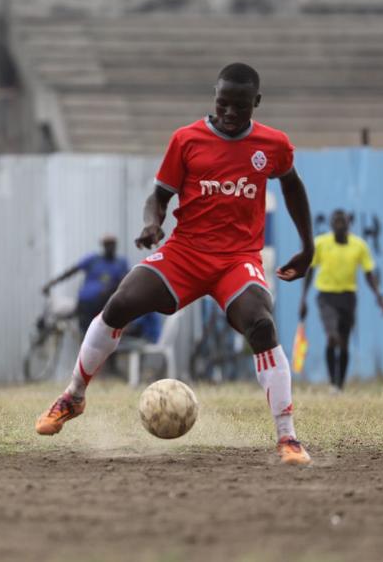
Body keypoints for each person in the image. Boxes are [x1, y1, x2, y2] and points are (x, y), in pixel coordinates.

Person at [35, 62, 316, 466]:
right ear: (214, 98)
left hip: (237, 260)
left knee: (261, 324)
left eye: (240, 106)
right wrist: (153, 223)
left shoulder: (273, 145)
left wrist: (307, 247)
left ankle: (287, 439)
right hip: (185, 252)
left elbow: (292, 187)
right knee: (119, 304)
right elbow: (159, 195)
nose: (230, 113)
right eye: (223, 104)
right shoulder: (187, 139)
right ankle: (73, 397)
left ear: (255, 103)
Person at [298, 209, 383, 392]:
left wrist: (378, 295)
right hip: (326, 296)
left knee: (344, 341)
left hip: (348, 297)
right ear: (330, 224)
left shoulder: (359, 245)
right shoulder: (321, 243)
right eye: (335, 221)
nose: (339, 224)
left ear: (349, 223)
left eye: (342, 221)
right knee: (332, 337)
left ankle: (339, 385)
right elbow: (310, 271)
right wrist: (303, 298)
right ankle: (332, 383)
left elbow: (369, 274)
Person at [42, 235, 129, 334]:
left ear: (115, 246)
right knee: (86, 332)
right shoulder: (93, 259)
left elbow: (125, 282)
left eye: (112, 244)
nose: (110, 247)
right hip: (85, 302)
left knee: (102, 332)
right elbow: (72, 271)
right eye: (107, 244)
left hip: (104, 304)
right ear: (103, 246)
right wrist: (52, 283)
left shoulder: (120, 263)